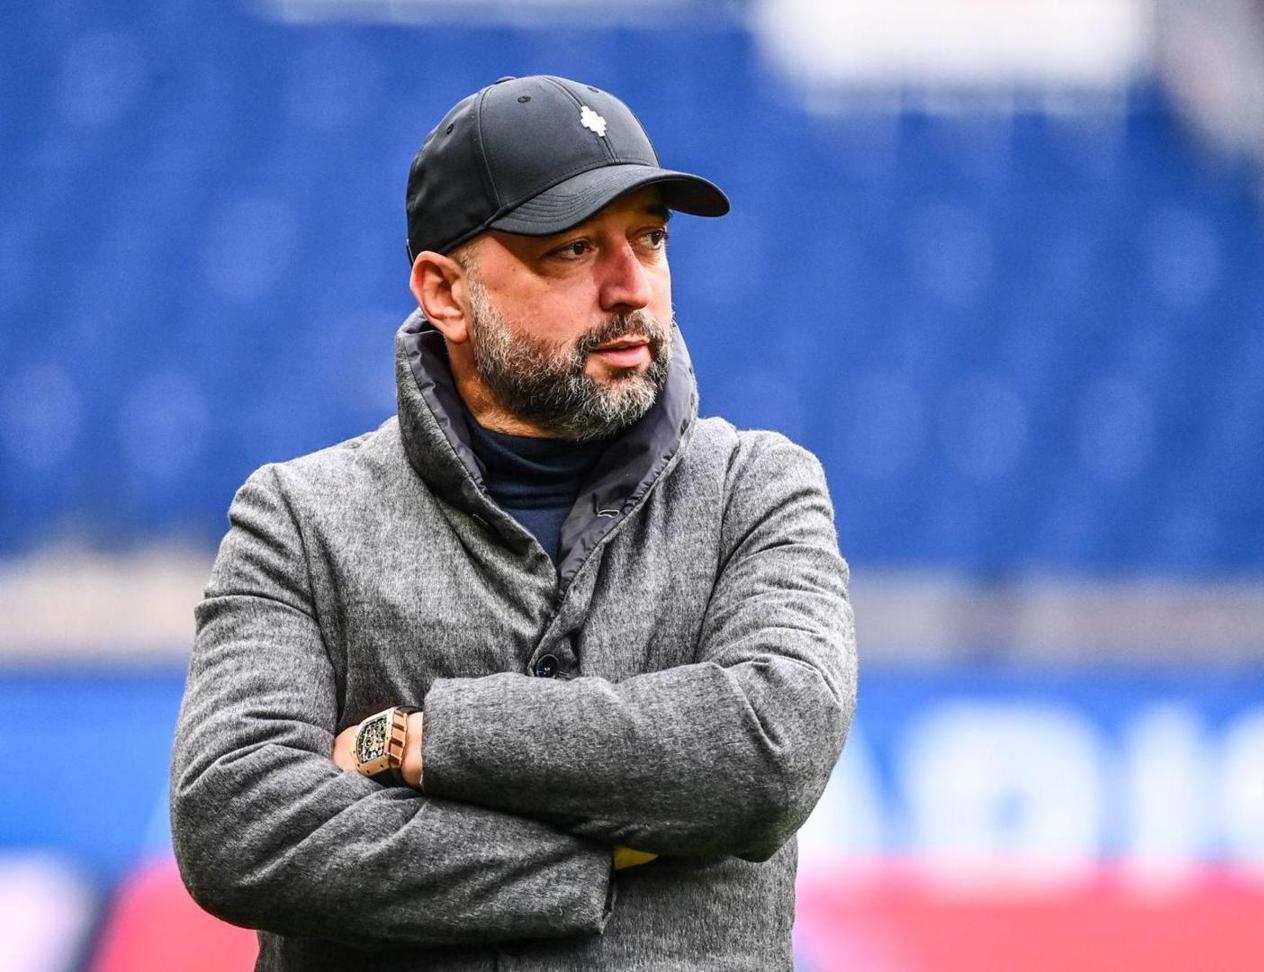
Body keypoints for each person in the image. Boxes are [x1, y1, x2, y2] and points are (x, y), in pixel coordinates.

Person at [170, 74, 857, 970]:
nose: (630, 287)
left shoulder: (758, 487)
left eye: (650, 240)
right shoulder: (298, 518)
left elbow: (769, 750)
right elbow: (236, 822)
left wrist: (430, 741)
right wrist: (588, 862)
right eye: (573, 249)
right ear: (446, 293)